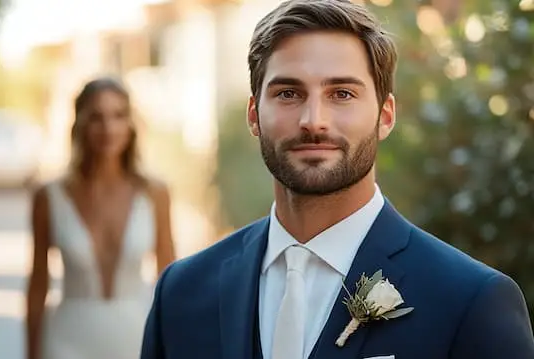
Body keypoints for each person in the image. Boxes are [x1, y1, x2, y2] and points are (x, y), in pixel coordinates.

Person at [140, 1, 534, 358]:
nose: (314, 120)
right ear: (254, 115)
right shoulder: (181, 293)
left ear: (385, 115)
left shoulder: (471, 301)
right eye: (288, 93)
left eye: (342, 93)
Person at [26, 77, 175, 359]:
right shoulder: (49, 197)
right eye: (96, 117)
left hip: (137, 339)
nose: (108, 128)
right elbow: (37, 286)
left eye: (119, 115)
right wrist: (31, 353)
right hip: (66, 343)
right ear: (79, 124)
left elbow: (171, 283)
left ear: (130, 124)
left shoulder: (154, 193)